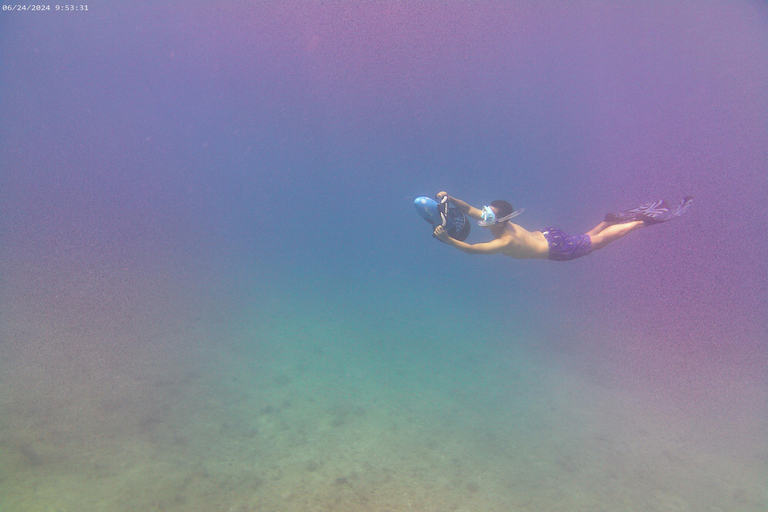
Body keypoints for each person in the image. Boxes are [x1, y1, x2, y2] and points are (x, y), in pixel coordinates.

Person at [431, 192, 693, 261]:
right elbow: (467, 209)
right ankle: (607, 220)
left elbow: (474, 250)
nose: (483, 214)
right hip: (550, 235)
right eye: (485, 210)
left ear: (498, 220)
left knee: (596, 244)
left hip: (556, 247)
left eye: (487, 213)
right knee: (583, 238)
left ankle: (638, 223)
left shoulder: (506, 240)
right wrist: (450, 198)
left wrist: (447, 240)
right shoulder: (499, 223)